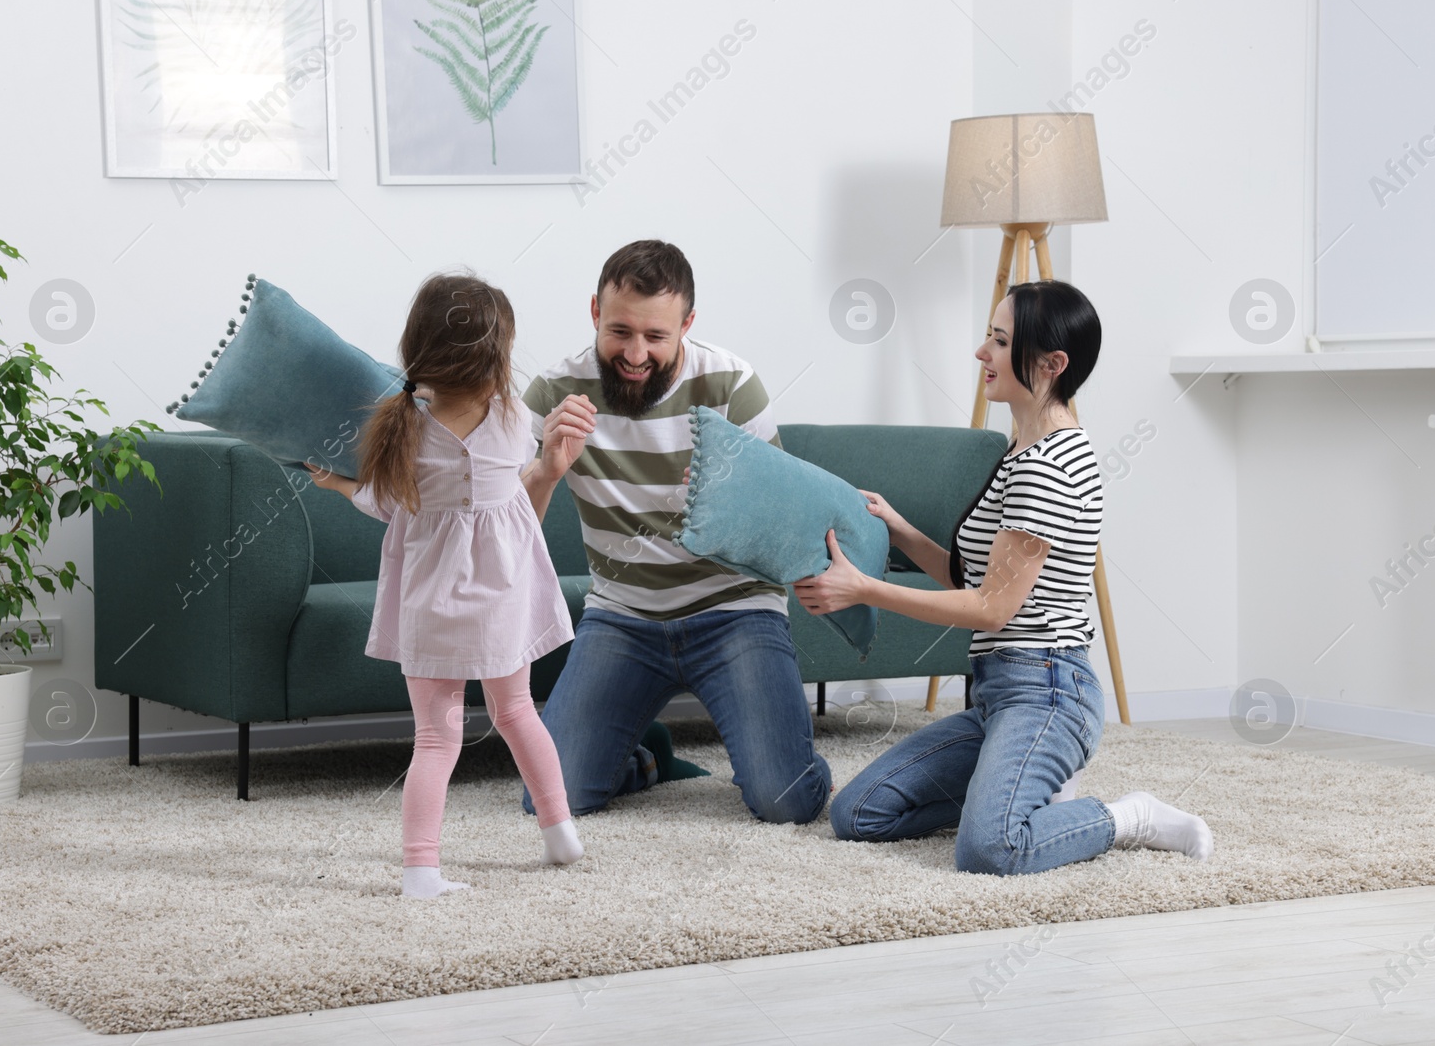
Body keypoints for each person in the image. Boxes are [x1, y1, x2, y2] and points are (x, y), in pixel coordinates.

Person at [794, 279, 1213, 875]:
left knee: (991, 850)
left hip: (1047, 691)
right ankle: (1017, 800)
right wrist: (898, 525)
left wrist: (864, 589)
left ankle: (1129, 817)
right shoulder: (1020, 452)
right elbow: (968, 576)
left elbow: (992, 610)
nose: (980, 353)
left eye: (997, 340)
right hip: (998, 693)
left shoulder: (1049, 468)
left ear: (1051, 364)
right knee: (858, 814)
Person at [518, 240, 831, 824]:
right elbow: (507, 536)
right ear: (593, 312)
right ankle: (646, 758)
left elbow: (786, 521)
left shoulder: (731, 384)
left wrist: (726, 497)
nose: (636, 354)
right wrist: (544, 470)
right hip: (623, 616)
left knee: (783, 801)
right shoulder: (554, 391)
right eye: (620, 331)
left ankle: (794, 759)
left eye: (656, 337)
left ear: (687, 324)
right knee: (548, 798)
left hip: (735, 610)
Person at [307, 273, 583, 898]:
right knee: (517, 713)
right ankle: (560, 830)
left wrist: (341, 485)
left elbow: (385, 506)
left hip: (429, 606)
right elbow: (517, 507)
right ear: (499, 360)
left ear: (417, 351)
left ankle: (421, 869)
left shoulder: (400, 429)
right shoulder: (516, 423)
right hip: (502, 603)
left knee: (435, 737)